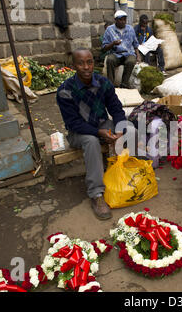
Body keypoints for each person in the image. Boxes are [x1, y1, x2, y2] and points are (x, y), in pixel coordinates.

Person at [56, 48, 135, 220]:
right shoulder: (65, 91)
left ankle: (127, 173)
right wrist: (99, 132)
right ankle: (96, 194)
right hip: (78, 132)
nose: (86, 67)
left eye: (89, 62)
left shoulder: (103, 83)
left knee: (130, 127)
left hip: (101, 124)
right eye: (81, 63)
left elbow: (116, 109)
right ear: (73, 66)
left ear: (94, 63)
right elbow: (73, 123)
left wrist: (120, 130)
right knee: (91, 141)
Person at [102, 10, 141, 88]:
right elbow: (104, 48)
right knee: (110, 60)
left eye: (124, 19)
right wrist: (113, 43)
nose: (123, 21)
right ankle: (110, 85)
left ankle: (124, 84)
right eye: (120, 19)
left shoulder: (130, 29)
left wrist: (138, 55)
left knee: (131, 61)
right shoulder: (110, 30)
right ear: (115, 20)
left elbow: (135, 44)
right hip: (116, 54)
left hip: (128, 53)